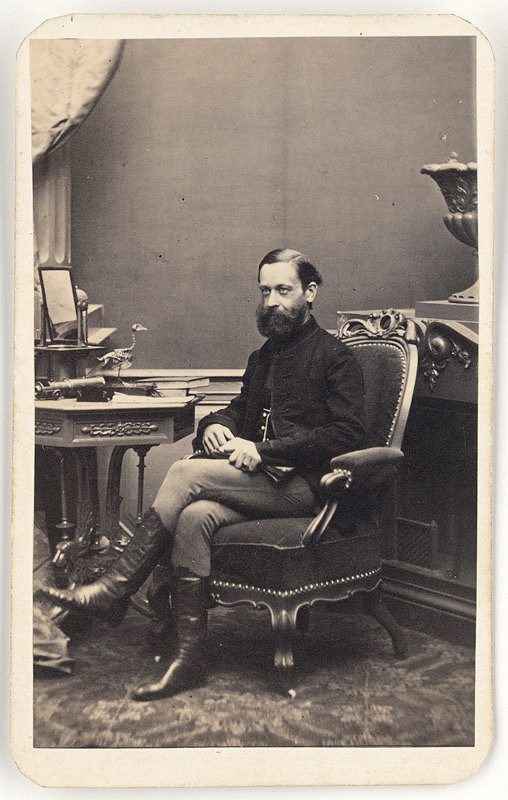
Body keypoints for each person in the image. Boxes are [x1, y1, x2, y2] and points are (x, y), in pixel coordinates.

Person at [44, 248, 365, 701]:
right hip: (263, 483)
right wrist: (216, 425)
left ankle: (113, 590)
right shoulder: (264, 356)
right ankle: (189, 658)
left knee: (184, 473)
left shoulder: (335, 358)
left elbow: (347, 435)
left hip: (304, 489)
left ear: (310, 293)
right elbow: (239, 409)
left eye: (283, 290)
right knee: (195, 518)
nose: (272, 301)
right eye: (265, 291)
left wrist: (263, 449)